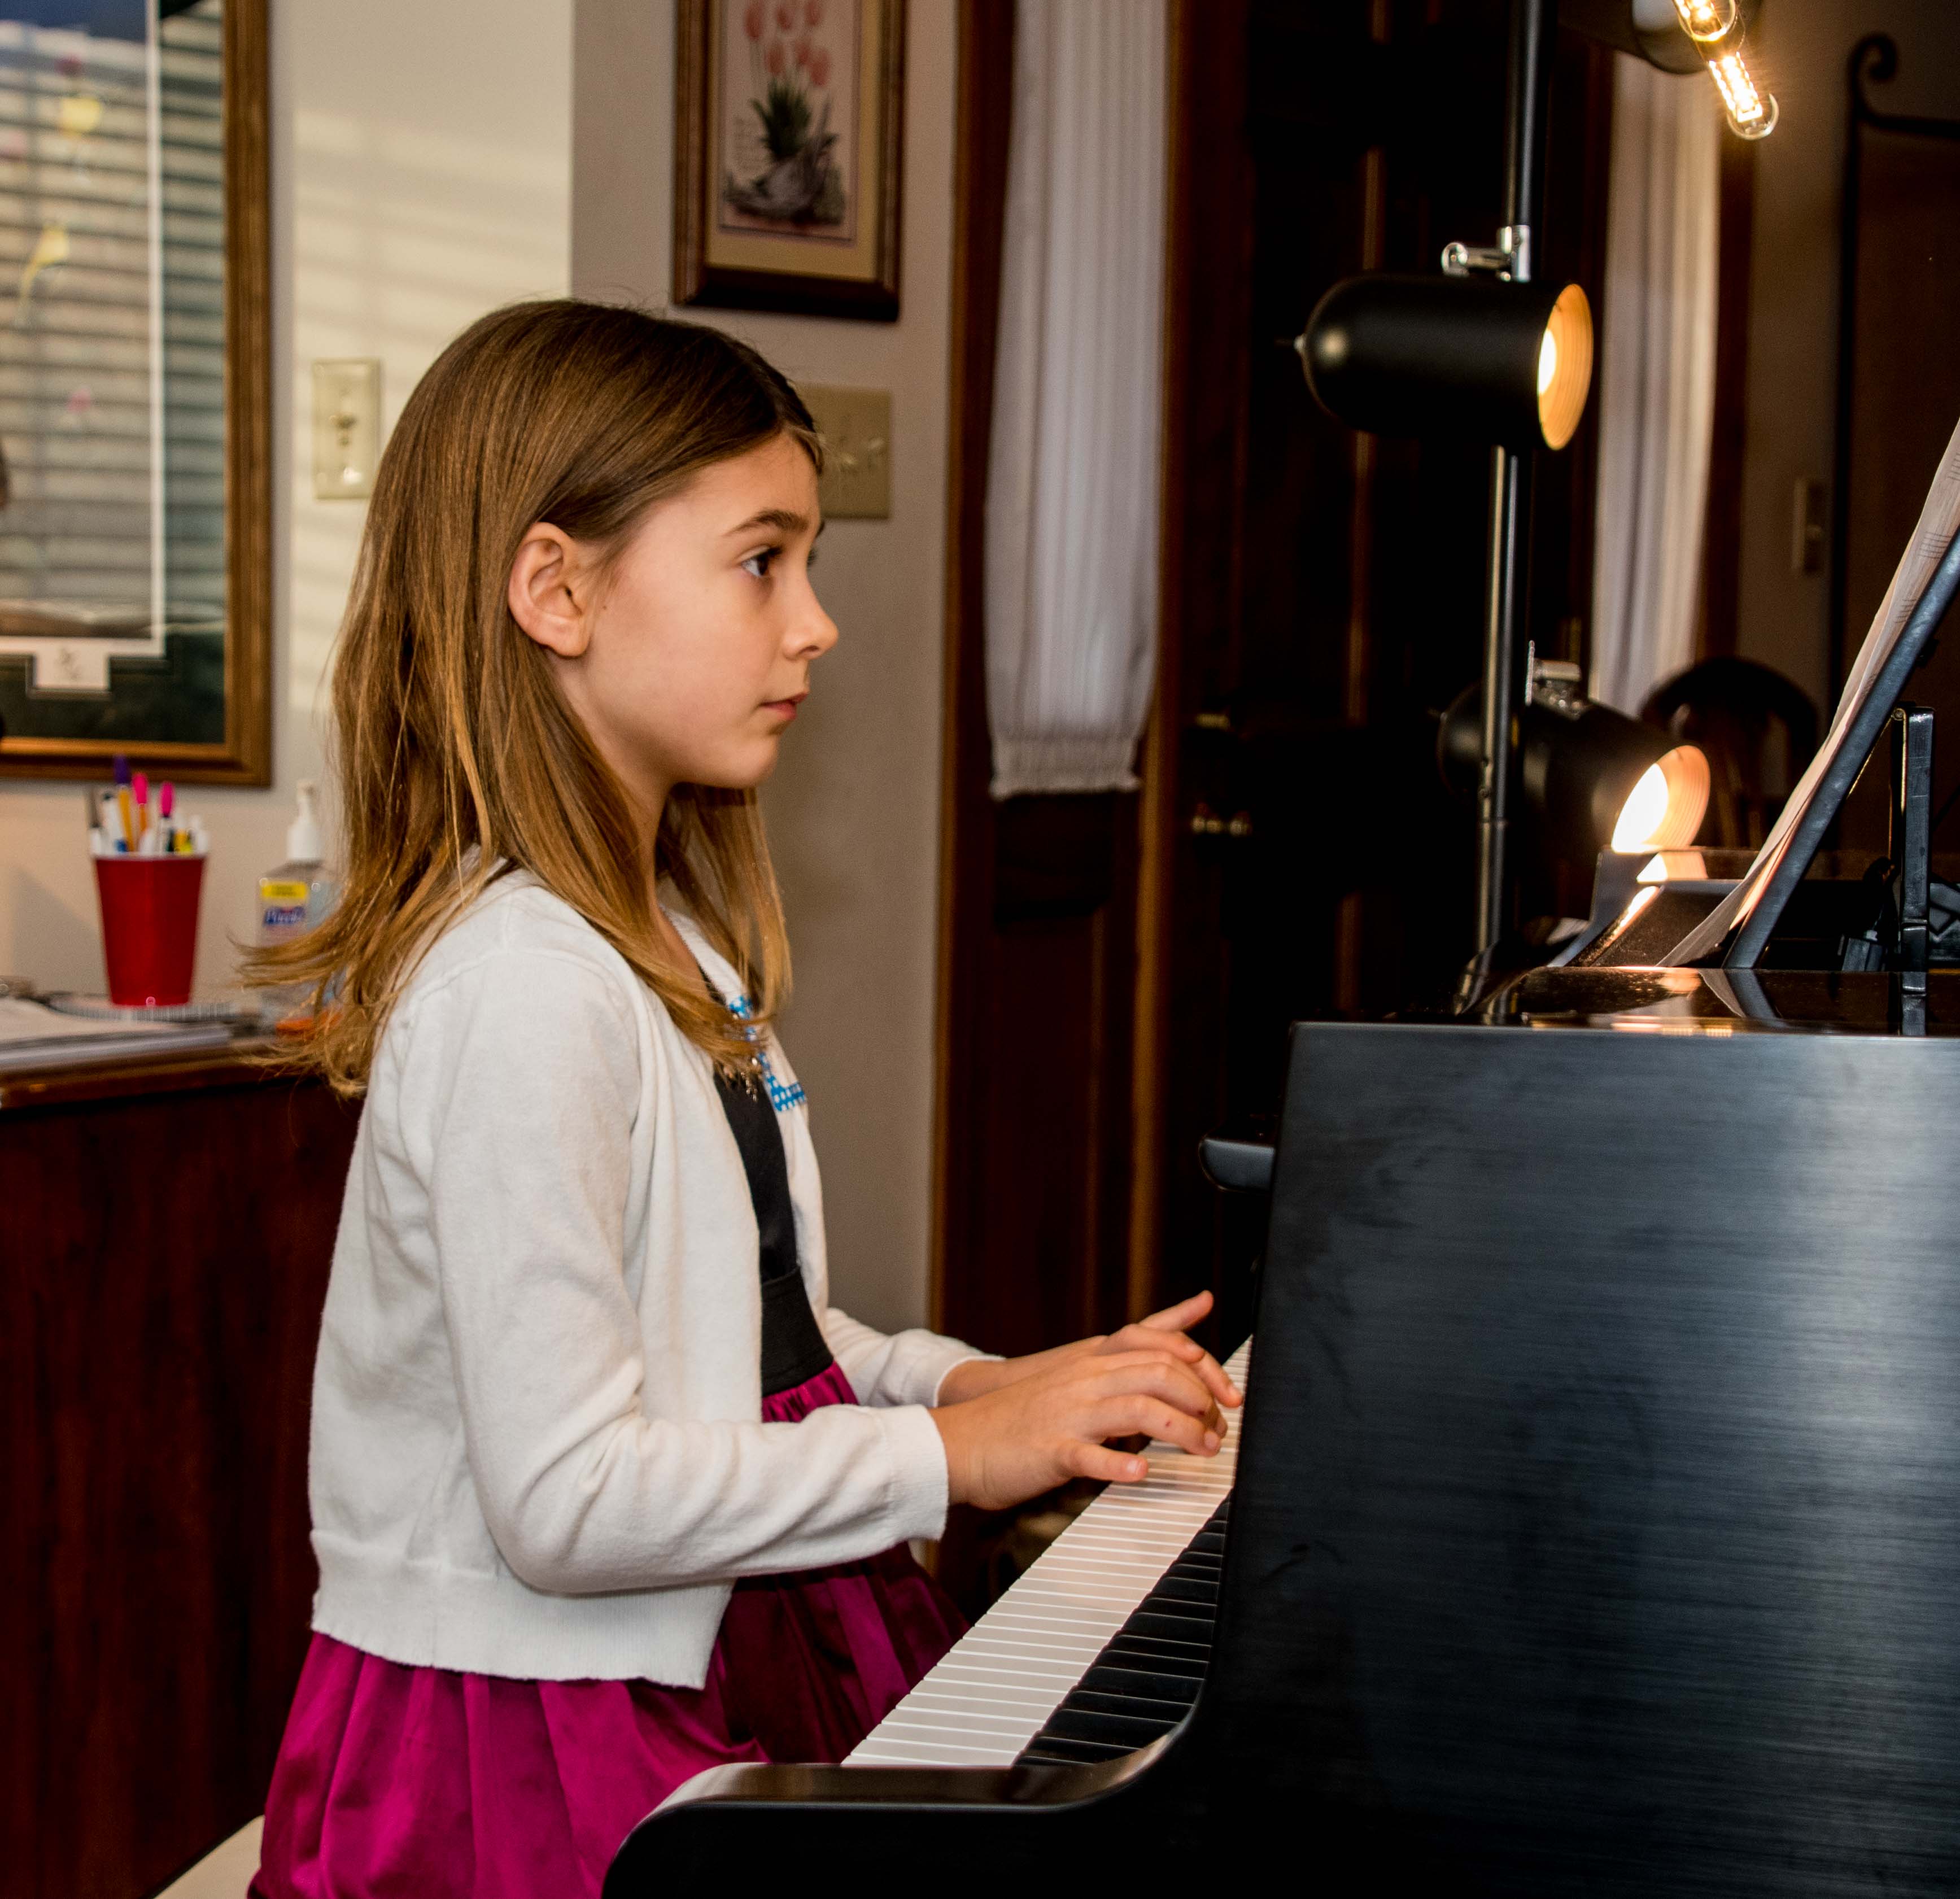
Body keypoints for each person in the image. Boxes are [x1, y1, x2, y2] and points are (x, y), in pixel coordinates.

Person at [246, 300, 1241, 1899]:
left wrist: (989, 1382)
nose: (816, 623)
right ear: (557, 590)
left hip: (721, 1623)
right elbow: (567, 1500)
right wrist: (951, 1461)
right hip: (530, 1734)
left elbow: (754, 1340)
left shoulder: (674, 944)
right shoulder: (524, 989)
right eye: (762, 559)